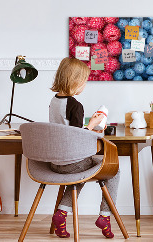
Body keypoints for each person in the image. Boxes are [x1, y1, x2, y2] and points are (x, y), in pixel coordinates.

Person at [49, 57, 119, 239]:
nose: (85, 85)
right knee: (114, 170)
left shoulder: (54, 101)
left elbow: (66, 130)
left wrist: (88, 125)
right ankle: (105, 216)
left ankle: (61, 214)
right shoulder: (75, 105)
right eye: (84, 81)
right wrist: (93, 125)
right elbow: (76, 137)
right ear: (75, 81)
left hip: (55, 162)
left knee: (80, 173)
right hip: (72, 162)